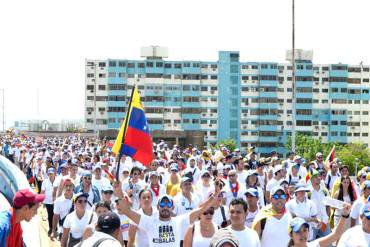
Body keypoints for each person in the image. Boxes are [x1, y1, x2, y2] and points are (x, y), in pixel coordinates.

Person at [117, 189, 218, 247]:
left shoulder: (179, 221)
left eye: (168, 203)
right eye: (162, 203)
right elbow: (127, 211)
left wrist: (215, 194)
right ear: (157, 207)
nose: (165, 206)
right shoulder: (149, 222)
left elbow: (200, 209)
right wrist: (119, 192)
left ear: (172, 207)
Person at [40, 167, 57, 236]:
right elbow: (42, 191)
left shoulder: (57, 180)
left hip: (56, 202)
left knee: (55, 215)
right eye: (49, 173)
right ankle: (51, 228)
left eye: (51, 173)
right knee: (50, 215)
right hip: (48, 202)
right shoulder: (45, 181)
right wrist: (41, 200)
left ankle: (55, 228)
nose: (50, 175)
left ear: (54, 174)